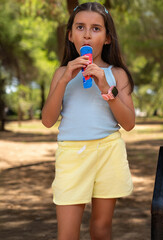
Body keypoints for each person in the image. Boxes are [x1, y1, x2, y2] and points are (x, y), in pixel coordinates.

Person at [41, 2, 134, 239]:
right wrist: (63, 80)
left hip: (108, 152)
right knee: (68, 234)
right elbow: (48, 120)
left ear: (107, 38)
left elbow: (129, 123)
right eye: (80, 27)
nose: (87, 34)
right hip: (72, 154)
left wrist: (105, 87)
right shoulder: (61, 73)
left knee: (101, 229)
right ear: (70, 35)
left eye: (95, 29)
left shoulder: (117, 74)